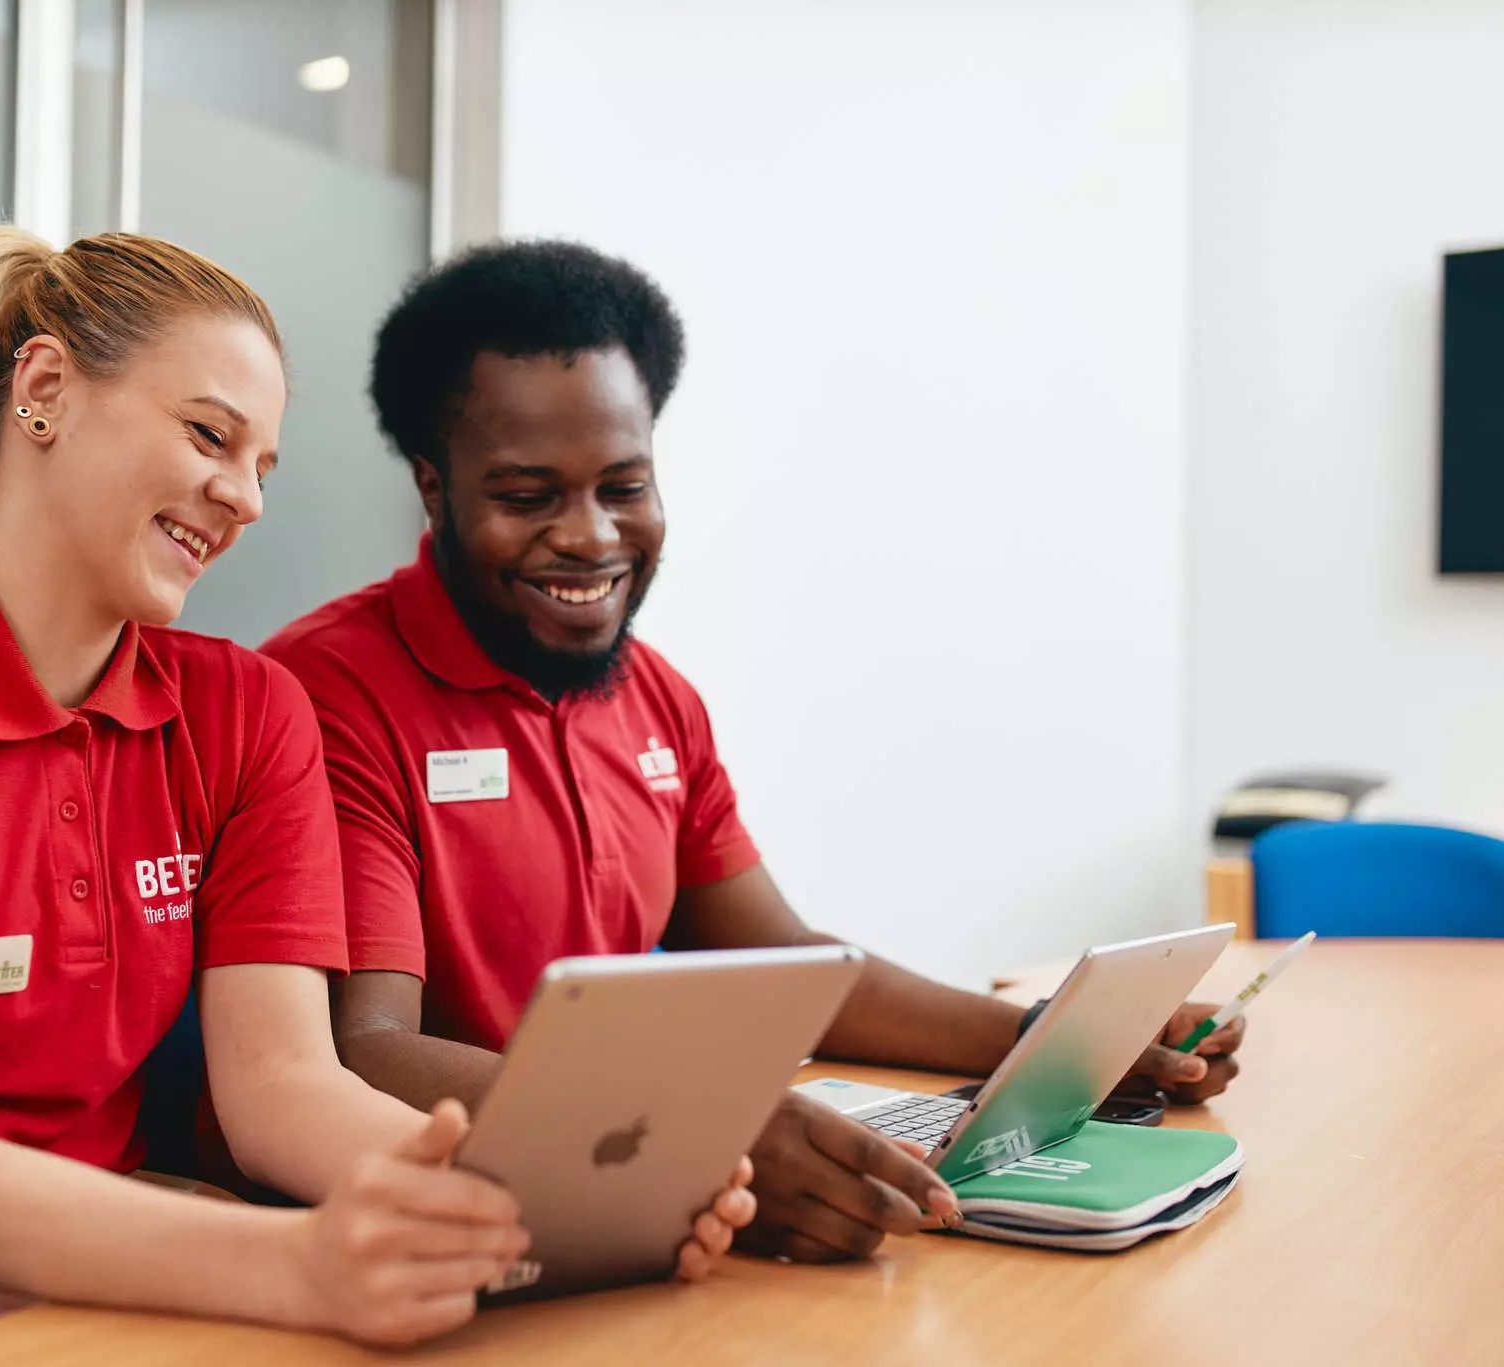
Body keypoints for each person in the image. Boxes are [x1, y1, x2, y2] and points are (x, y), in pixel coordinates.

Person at [0, 228, 754, 1366]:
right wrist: (294, 1263)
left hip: (104, 1239)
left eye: (263, 467)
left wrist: (545, 1206)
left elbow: (284, 1087)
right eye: (211, 434)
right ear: (43, 388)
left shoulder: (248, 713)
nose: (242, 497)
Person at [261, 239, 1248, 1266]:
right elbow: (357, 1051)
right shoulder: (328, 697)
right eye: (525, 495)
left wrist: (1058, 1042)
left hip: (632, 1215)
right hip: (450, 1229)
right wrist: (684, 1141)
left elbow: (791, 960)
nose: (589, 535)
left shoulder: (655, 698)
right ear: (433, 489)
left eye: (623, 485)